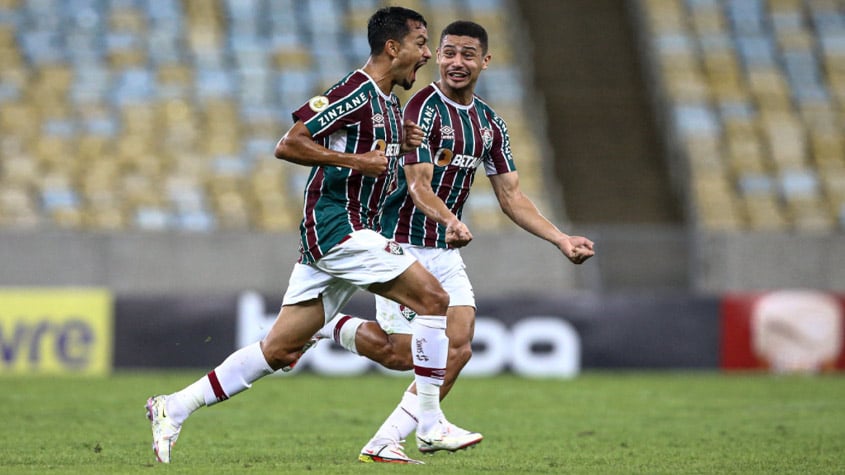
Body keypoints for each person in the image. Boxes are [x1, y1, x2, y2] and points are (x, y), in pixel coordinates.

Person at [144, 7, 482, 464]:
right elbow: (290, 142)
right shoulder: (355, 91)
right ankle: (428, 423)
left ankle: (174, 406)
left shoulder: (389, 102)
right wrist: (358, 162)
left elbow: (375, 154)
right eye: (421, 43)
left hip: (347, 234)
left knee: (279, 349)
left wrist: (398, 147)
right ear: (392, 47)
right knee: (434, 300)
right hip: (337, 228)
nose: (427, 54)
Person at [297, 20, 595, 464]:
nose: (457, 62)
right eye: (449, 52)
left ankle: (387, 440)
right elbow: (418, 186)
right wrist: (451, 219)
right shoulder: (420, 108)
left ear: (485, 61)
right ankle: (327, 326)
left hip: (446, 249)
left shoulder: (489, 124)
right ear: (437, 56)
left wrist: (560, 239)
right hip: (402, 244)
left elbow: (511, 196)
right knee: (401, 355)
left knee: (459, 346)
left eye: (467, 54)